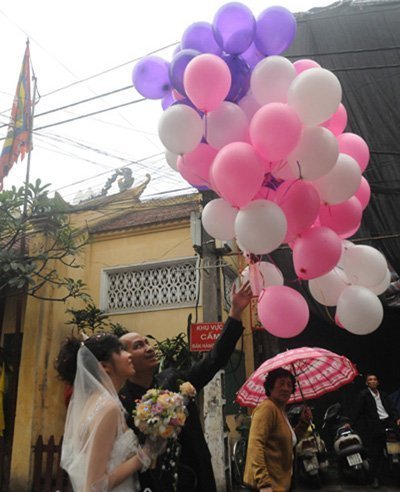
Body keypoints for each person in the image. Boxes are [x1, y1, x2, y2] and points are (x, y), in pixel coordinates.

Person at [119, 281, 253, 492]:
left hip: (198, 477)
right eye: (138, 346)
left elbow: (213, 361)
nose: (149, 348)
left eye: (147, 342)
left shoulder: (172, 379)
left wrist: (235, 312)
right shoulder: (122, 402)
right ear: (125, 357)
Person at [55, 332, 157, 492]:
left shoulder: (94, 402)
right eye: (120, 351)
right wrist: (144, 455)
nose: (128, 355)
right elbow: (95, 485)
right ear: (104, 367)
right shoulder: (108, 408)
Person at [243, 368, 312, 492]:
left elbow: (289, 442)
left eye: (289, 385)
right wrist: (263, 482)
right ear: (270, 387)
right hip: (265, 487)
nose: (286, 388)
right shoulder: (267, 409)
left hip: (280, 484)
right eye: (281, 384)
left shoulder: (281, 411)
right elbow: (255, 445)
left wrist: (304, 423)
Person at [352, 373, 400, 489]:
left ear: (377, 382)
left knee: (394, 451)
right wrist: (351, 423)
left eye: (374, 379)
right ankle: (375, 478)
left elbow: (391, 409)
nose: (373, 381)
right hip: (375, 427)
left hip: (389, 424)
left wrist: (397, 418)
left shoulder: (383, 395)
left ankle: (395, 477)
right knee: (376, 454)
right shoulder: (364, 395)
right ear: (367, 383)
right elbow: (357, 411)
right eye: (370, 379)